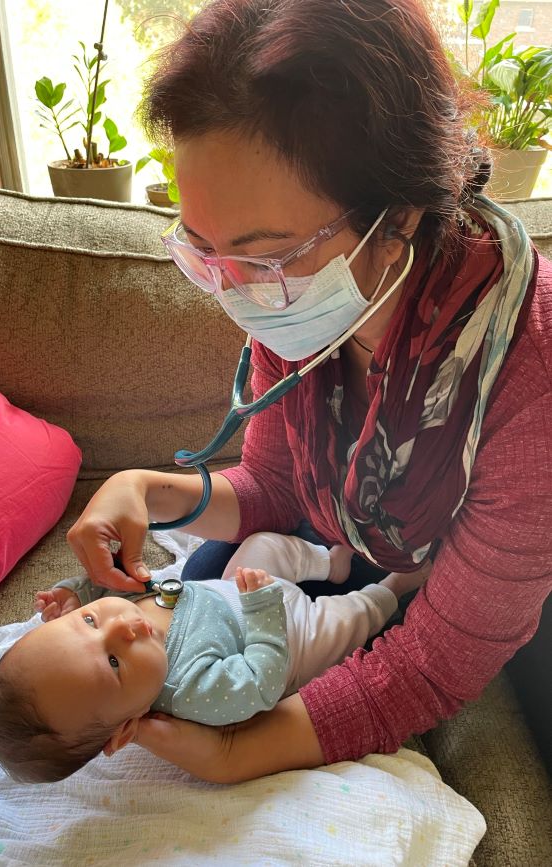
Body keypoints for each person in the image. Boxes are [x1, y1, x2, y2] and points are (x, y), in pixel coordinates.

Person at [66, 0, 552, 783]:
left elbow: (437, 659)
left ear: (397, 217)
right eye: (205, 253)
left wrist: (239, 752)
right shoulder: (303, 303)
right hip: (347, 551)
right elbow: (280, 485)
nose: (238, 295)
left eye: (264, 258)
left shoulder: (529, 377)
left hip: (479, 587)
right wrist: (142, 489)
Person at [0, 533, 427, 782]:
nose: (123, 626)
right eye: (115, 663)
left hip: (237, 587)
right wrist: (262, 611)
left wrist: (77, 591)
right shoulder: (191, 691)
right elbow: (262, 680)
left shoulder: (116, 618)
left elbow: (108, 586)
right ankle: (393, 589)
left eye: (89, 623)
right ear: (123, 731)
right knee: (351, 619)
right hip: (291, 633)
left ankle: (330, 564)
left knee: (264, 544)